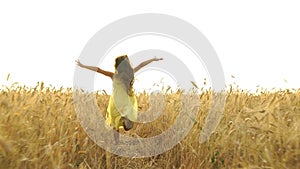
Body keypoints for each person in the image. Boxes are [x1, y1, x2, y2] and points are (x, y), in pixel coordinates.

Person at [76, 55, 163, 144]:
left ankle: (117, 142)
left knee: (115, 124)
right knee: (128, 121)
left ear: (117, 66)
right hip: (127, 101)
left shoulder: (113, 76)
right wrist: (153, 59)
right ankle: (126, 119)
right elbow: (141, 65)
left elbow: (98, 70)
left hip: (116, 102)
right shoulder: (130, 74)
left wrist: (83, 66)